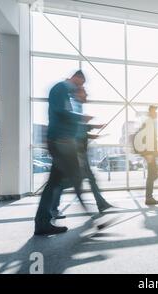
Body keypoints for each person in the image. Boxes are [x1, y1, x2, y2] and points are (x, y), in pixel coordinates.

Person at [34, 70, 92, 236]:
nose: (79, 88)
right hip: (61, 142)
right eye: (79, 84)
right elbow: (62, 113)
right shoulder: (61, 89)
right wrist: (81, 118)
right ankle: (92, 217)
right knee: (74, 178)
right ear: (75, 79)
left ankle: (42, 222)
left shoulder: (65, 92)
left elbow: (64, 115)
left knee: (55, 182)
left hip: (62, 142)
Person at [50, 86, 113, 219]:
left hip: (77, 149)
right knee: (68, 182)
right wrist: (91, 127)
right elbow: (75, 128)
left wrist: (91, 133)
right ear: (78, 93)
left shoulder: (77, 106)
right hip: (75, 150)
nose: (87, 94)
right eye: (84, 92)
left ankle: (100, 203)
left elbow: (79, 128)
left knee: (87, 178)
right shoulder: (75, 105)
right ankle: (53, 208)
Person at [142, 105, 158, 206]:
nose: (156, 114)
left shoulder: (151, 123)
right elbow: (143, 139)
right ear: (150, 112)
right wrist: (147, 153)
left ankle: (149, 196)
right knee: (152, 175)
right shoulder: (148, 123)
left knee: (154, 174)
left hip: (151, 153)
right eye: (154, 112)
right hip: (149, 153)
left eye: (156, 112)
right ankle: (148, 197)